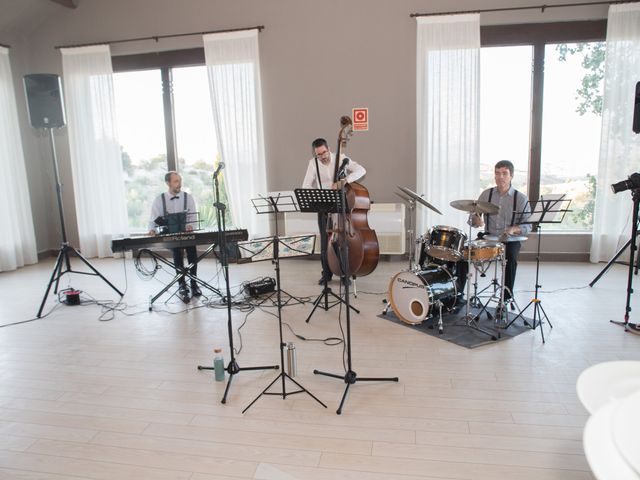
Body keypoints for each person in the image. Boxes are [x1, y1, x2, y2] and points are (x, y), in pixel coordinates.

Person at [459, 160, 531, 305]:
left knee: (511, 258)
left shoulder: (521, 199)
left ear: (512, 176)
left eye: (504, 174)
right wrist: (476, 220)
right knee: (463, 254)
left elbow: (528, 226)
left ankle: (506, 298)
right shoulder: (487, 194)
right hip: (488, 237)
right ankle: (458, 295)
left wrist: (513, 229)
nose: (501, 177)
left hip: (510, 239)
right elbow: (473, 218)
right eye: (497, 173)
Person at [302, 137, 366, 285]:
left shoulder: (341, 158)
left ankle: (345, 274)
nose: (323, 156)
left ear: (328, 148)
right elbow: (306, 185)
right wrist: (318, 195)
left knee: (342, 240)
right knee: (325, 242)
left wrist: (344, 181)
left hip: (340, 204)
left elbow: (361, 170)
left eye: (324, 152)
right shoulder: (313, 164)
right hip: (324, 205)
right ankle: (326, 274)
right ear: (315, 154)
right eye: (319, 154)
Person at [148, 171, 201, 303]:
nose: (179, 184)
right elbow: (153, 218)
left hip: (186, 233)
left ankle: (194, 283)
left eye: (180, 181)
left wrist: (190, 226)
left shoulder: (187, 198)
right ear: (168, 183)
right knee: (177, 253)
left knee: (192, 253)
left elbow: (192, 216)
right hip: (170, 235)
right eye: (176, 181)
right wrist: (152, 230)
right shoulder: (159, 200)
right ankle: (181, 285)